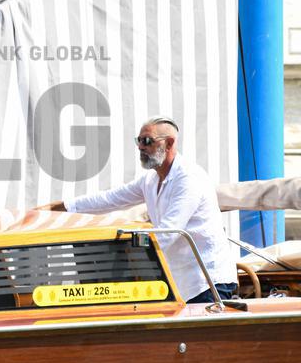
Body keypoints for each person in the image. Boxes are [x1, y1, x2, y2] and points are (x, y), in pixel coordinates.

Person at [43, 116, 237, 304]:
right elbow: (110, 199)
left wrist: (127, 244)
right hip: (180, 283)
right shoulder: (150, 180)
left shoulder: (189, 178)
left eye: (147, 141)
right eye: (139, 141)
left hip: (207, 281)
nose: (141, 147)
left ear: (169, 143)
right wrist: (60, 208)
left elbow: (167, 233)